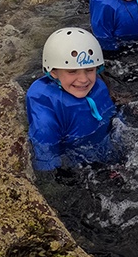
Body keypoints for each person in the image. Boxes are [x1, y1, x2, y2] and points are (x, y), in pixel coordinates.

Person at [25, 27, 122, 171]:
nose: (83, 79)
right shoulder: (46, 104)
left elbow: (115, 120)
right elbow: (46, 154)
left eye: (90, 70)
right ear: (53, 72)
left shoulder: (99, 87)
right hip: (77, 165)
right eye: (72, 71)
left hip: (105, 149)